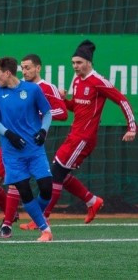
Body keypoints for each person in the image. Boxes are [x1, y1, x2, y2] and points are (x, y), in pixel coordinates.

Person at [20, 40, 136, 230]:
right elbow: (77, 107)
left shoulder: (98, 81)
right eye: (73, 63)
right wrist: (63, 100)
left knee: (56, 172)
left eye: (79, 62)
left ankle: (41, 218)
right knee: (62, 174)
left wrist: (132, 127)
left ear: (89, 62)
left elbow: (122, 100)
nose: (75, 66)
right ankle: (92, 201)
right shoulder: (76, 80)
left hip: (85, 138)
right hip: (74, 134)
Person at [0, 53, 68, 238]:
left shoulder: (32, 90)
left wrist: (43, 131)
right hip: (12, 152)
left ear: (7, 73)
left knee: (47, 187)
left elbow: (47, 113)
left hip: (34, 149)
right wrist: (8, 134)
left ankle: (32, 216)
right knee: (23, 189)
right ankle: (44, 230)